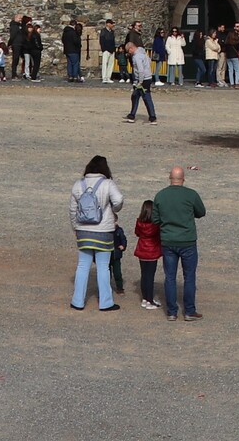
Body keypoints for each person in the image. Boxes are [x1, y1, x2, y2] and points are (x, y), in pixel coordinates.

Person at [68, 155, 124, 310]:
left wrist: (75, 227)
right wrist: (113, 210)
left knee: (82, 265)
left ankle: (77, 301)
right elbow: (119, 200)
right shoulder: (107, 183)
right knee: (103, 266)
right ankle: (106, 302)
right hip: (103, 230)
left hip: (83, 230)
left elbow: (73, 210)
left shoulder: (78, 184)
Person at [152, 165, 206, 320]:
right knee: (189, 276)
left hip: (168, 240)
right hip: (187, 240)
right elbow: (201, 212)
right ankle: (189, 311)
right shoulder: (191, 194)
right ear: (183, 179)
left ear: (170, 178)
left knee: (170, 277)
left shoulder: (161, 195)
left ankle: (171, 312)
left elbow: (155, 219)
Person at [131, 197, 164, 309]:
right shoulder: (155, 224)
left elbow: (137, 233)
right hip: (152, 252)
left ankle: (145, 298)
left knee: (144, 275)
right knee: (150, 277)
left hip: (142, 251)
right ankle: (149, 300)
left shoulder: (139, 222)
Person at [125, 41, 158, 123]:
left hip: (142, 79)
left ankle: (152, 117)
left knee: (145, 97)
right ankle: (132, 115)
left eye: (129, 51)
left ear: (131, 48)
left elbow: (140, 69)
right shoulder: (143, 52)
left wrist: (140, 81)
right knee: (135, 96)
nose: (129, 53)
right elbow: (149, 61)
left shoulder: (137, 57)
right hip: (147, 77)